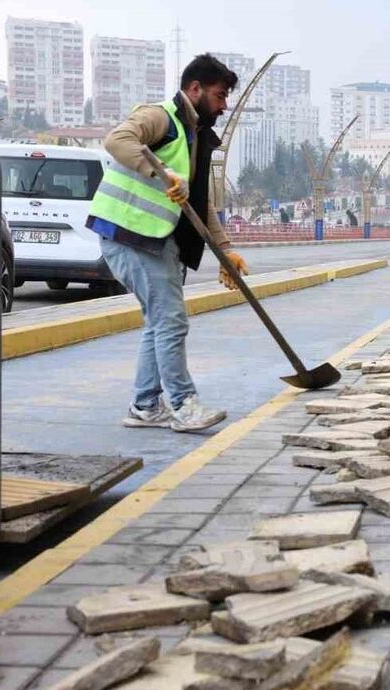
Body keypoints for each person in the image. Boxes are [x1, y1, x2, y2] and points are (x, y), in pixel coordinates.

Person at [87, 53, 249, 433]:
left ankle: (145, 405)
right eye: (219, 95)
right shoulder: (161, 117)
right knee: (171, 321)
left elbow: (198, 204)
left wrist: (225, 250)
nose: (224, 106)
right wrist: (160, 173)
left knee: (158, 323)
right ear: (195, 89)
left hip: (155, 240)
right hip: (129, 235)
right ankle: (183, 404)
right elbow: (117, 140)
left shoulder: (195, 136)